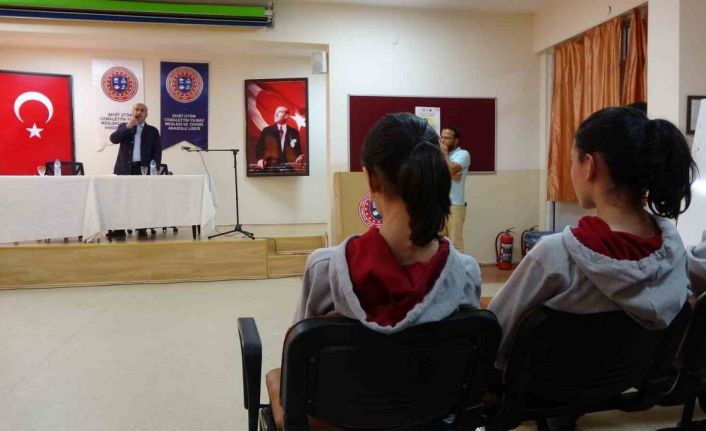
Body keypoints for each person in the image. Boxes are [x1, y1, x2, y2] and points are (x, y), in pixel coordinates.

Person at [267, 113, 482, 430]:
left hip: (341, 418)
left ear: (372, 180)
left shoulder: (324, 268)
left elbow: (297, 366)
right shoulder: (466, 272)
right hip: (427, 416)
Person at [489, 106, 697, 370]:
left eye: (571, 160)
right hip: (629, 384)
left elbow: (492, 336)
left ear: (589, 165)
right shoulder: (674, 248)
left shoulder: (554, 256)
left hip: (547, 387)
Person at [108, 102, 162, 238]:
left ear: (146, 114)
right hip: (124, 168)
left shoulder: (153, 131)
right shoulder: (124, 127)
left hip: (143, 169)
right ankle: (119, 229)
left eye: (142, 110)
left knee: (141, 199)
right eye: (136, 109)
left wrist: (155, 169)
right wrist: (128, 126)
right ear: (132, 112)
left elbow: (157, 151)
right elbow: (113, 139)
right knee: (122, 199)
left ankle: (141, 227)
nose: (139, 112)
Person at [440, 127, 470, 253]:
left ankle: (458, 267)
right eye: (441, 137)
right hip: (439, 205)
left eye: (447, 138)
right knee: (437, 242)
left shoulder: (463, 154)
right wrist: (450, 173)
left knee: (455, 244)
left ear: (456, 141)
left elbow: (452, 170)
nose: (442, 140)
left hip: (455, 206)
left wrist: (444, 155)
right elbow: (433, 173)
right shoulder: (438, 155)